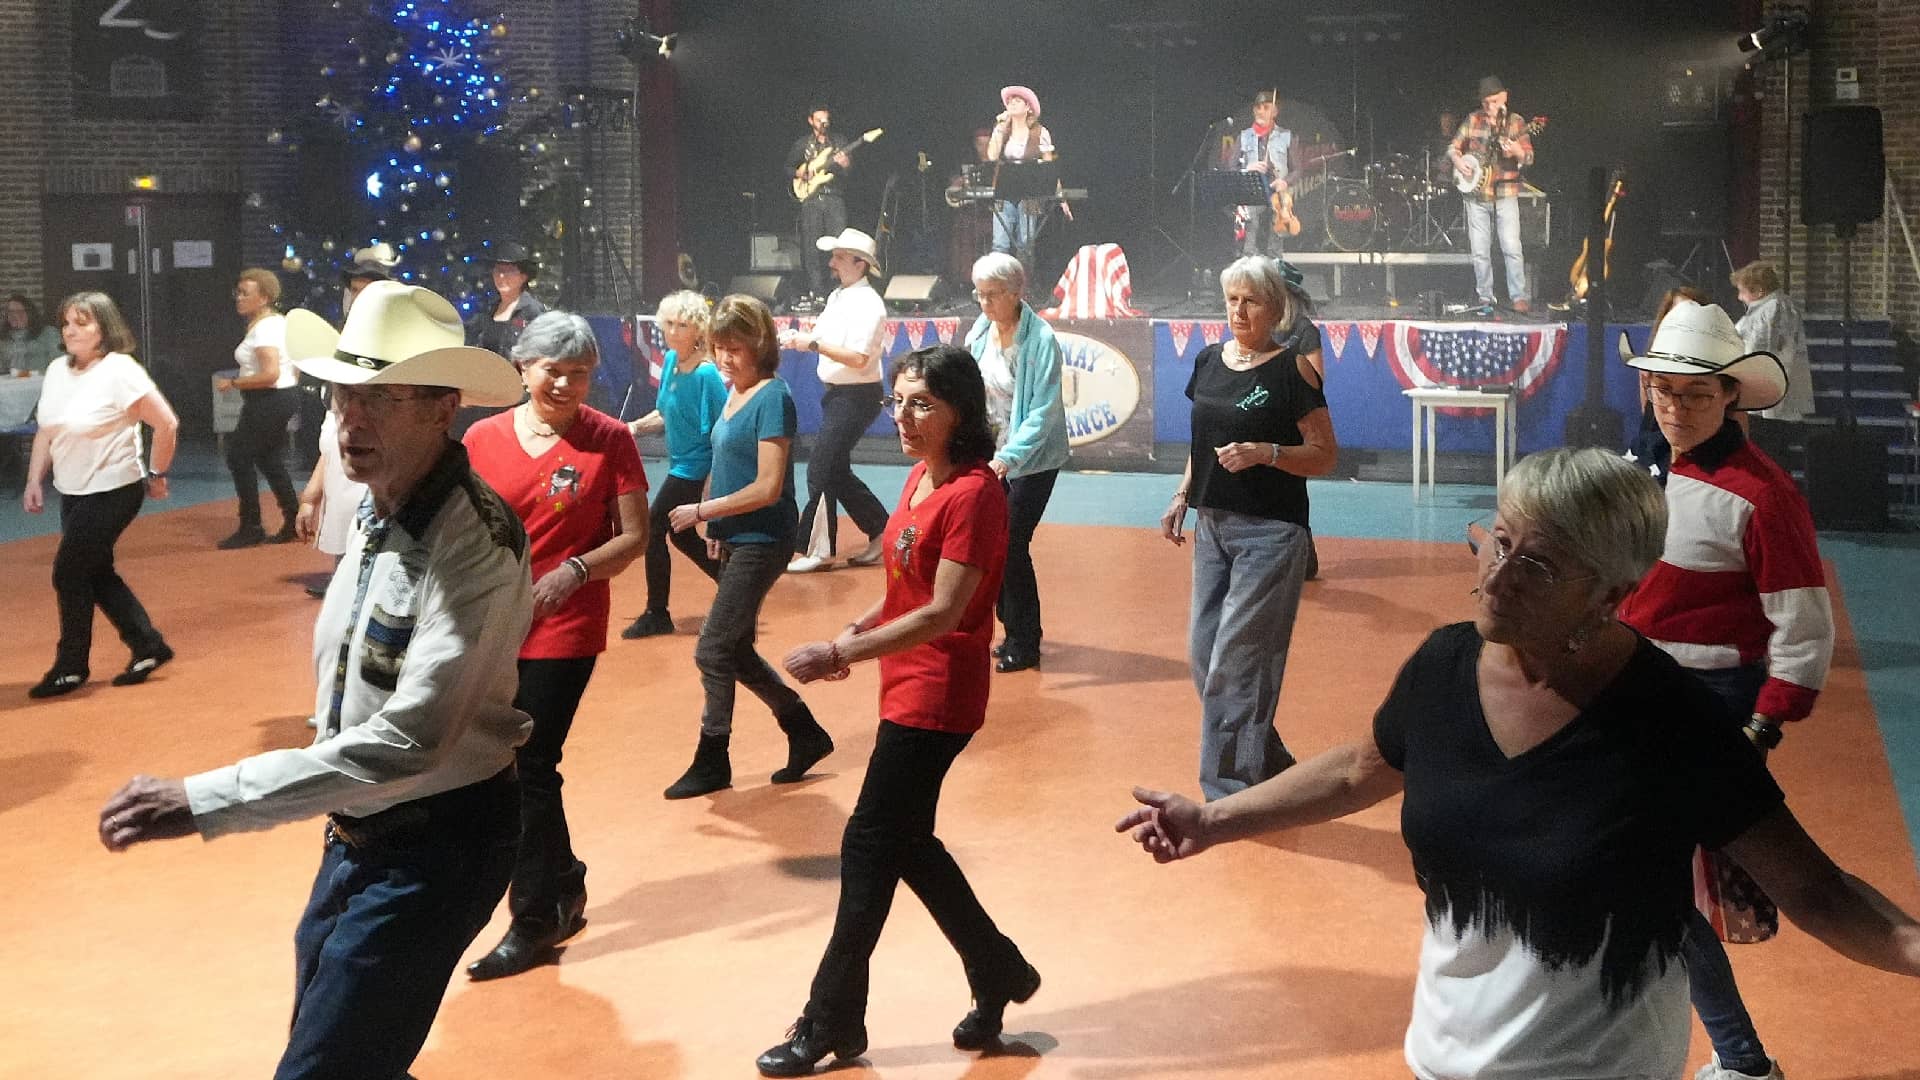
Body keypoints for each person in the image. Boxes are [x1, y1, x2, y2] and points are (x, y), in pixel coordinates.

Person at [1118, 447, 1920, 1080]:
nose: (1495, 579)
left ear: (1612, 593)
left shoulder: (1667, 720)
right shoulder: (1445, 664)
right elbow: (1360, 768)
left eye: (1537, 565)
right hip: (1443, 1056)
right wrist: (1214, 818)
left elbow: (1816, 889)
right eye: (1498, 542)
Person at [95, 279, 532, 1079]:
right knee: (338, 1049)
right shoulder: (378, 510)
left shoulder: (474, 542)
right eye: (341, 395)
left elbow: (408, 742)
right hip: (358, 835)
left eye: (379, 399)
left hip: (438, 845)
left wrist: (205, 799)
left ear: (443, 407)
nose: (348, 419)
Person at [755, 344, 1039, 1078]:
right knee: (908, 843)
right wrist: (851, 631)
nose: (905, 417)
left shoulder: (976, 494)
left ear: (959, 412)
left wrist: (845, 654)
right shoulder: (919, 478)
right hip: (903, 681)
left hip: (940, 692)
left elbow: (945, 612)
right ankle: (997, 967)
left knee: (867, 847)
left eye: (922, 404)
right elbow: (905, 588)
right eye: (899, 401)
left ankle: (830, 1018)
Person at [1620, 301, 1835, 1080]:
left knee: (1662, 890)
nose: (1674, 408)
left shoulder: (1765, 496)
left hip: (1710, 714)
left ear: (1731, 397)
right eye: (1662, 391)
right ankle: (1733, 1057)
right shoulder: (1646, 464)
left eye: (1695, 395)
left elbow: (1805, 629)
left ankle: (1741, 1060)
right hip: (1633, 698)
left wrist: (1759, 732)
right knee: (1650, 886)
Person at [463, 311, 650, 980]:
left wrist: (577, 569)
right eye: (553, 371)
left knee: (531, 761)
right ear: (523, 368)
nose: (566, 384)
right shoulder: (481, 438)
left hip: (565, 622)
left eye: (580, 374)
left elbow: (633, 537)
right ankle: (565, 877)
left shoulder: (610, 439)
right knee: (508, 761)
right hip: (491, 621)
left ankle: (534, 919)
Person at [1161, 256, 1336, 800]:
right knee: (1204, 655)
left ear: (1274, 307)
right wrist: (1183, 494)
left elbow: (1325, 455)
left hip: (1271, 533)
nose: (1238, 310)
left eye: (1251, 300)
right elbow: (1201, 442)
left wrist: (1269, 452)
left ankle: (1228, 793)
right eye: (1232, 299)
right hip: (1213, 527)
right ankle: (1265, 755)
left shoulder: (1292, 370)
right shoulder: (1209, 360)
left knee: (1237, 663)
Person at [661, 295, 831, 799]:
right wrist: (716, 524)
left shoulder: (772, 397)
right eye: (719, 348)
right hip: (736, 534)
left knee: (713, 648)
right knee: (732, 648)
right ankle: (803, 730)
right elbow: (725, 462)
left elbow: (768, 487)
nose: (725, 358)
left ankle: (713, 756)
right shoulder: (733, 393)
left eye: (735, 348)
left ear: (759, 346)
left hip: (765, 538)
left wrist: (701, 513)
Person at [22, 291, 179, 698]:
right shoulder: (57, 369)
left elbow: (167, 424)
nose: (71, 331)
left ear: (104, 329)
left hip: (115, 488)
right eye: (67, 323)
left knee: (68, 572)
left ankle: (70, 666)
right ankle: (148, 644)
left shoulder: (120, 370)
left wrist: (158, 473)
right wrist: (34, 479)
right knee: (96, 571)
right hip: (72, 489)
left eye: (83, 323)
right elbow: (47, 430)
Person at [963, 252, 1068, 673]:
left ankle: (1026, 641)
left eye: (992, 295)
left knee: (1010, 544)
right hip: (991, 455)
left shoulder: (1040, 340)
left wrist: (1008, 458)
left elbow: (1042, 413)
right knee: (993, 545)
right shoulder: (980, 330)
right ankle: (1012, 627)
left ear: (1017, 292)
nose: (985, 304)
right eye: (979, 295)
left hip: (1032, 461)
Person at [782, 227, 890, 574]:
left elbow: (858, 358)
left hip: (857, 396)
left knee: (820, 468)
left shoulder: (870, 304)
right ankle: (881, 529)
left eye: (839, 257)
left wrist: (810, 343)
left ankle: (818, 549)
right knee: (836, 471)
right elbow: (829, 340)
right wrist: (803, 339)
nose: (832, 262)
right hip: (841, 395)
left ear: (860, 264)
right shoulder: (840, 297)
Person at [622, 290, 727, 638]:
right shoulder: (669, 361)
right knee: (680, 535)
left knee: (653, 528)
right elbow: (664, 412)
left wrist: (712, 489)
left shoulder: (706, 374)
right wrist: (634, 427)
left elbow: (723, 433)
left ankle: (657, 612)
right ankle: (733, 586)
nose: (672, 331)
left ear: (698, 329)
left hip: (696, 466)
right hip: (679, 462)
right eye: (668, 323)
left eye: (681, 325)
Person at [214, 268, 301, 548]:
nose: (238, 298)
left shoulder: (265, 329)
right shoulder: (277, 322)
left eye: (245, 293)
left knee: (239, 456)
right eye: (237, 293)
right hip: (279, 398)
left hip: (269, 399)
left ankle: (251, 526)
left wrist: (234, 383)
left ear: (264, 297)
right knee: (268, 459)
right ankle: (294, 519)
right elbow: (293, 365)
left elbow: (270, 373)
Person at [1448, 76, 1533, 315]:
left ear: (1505, 96)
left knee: (1511, 246)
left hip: (1505, 191)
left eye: (1494, 101)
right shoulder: (1474, 119)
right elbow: (1453, 147)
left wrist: (1515, 150)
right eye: (1486, 102)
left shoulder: (1516, 123)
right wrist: (1459, 162)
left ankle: (1518, 296)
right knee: (1480, 249)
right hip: (1476, 194)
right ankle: (1485, 296)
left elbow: (1528, 157)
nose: (1490, 107)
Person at [986, 85, 1058, 277]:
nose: (1012, 104)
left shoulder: (1040, 132)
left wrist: (1060, 194)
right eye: (1009, 101)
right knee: (1000, 242)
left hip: (1030, 192)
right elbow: (992, 156)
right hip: (1004, 190)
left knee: (1025, 242)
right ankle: (998, 286)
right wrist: (1000, 128)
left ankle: (1023, 288)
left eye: (1017, 101)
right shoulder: (1002, 129)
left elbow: (1049, 166)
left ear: (1028, 107)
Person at [1732, 260, 1814, 423]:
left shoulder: (1774, 308)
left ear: (1759, 291)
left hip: (1769, 388)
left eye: (1742, 291)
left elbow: (1758, 346)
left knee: (1770, 431)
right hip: (1766, 385)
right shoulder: (1769, 307)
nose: (1739, 297)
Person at [787, 106, 852, 305]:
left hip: (834, 197)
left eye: (826, 119)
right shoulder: (802, 144)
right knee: (811, 247)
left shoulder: (838, 142)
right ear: (811, 121)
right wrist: (801, 174)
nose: (823, 123)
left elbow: (849, 172)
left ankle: (840, 288)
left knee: (839, 245)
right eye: (819, 119)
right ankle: (816, 290)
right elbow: (788, 167)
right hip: (812, 198)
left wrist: (845, 164)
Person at [1233, 90, 1293, 258]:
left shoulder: (1285, 136)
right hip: (1253, 190)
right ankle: (1248, 261)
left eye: (1266, 107)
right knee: (1249, 226)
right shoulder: (1244, 136)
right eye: (1258, 107)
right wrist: (1247, 169)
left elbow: (1299, 169)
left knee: (1278, 227)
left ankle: (1275, 264)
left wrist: (1286, 181)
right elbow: (1231, 168)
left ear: (1275, 112)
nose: (1260, 111)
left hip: (1277, 190)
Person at [469, 242, 546, 358]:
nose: (501, 276)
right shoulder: (490, 309)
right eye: (498, 270)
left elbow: (543, 352)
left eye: (508, 271)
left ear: (523, 276)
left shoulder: (533, 310)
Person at [3, 293, 61, 374]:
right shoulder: (4, 338)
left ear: (30, 313)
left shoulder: (49, 334)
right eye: (11, 312)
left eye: (20, 312)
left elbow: (59, 363)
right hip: (10, 384)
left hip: (40, 382)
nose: (15, 316)